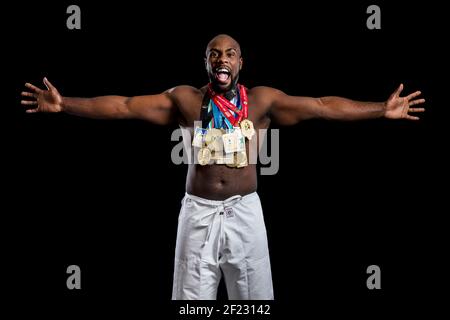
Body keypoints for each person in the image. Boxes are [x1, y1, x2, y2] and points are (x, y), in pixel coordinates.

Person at [20, 34, 425, 300]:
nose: (222, 58)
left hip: (245, 211)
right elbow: (124, 105)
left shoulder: (263, 101)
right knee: (191, 305)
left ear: (241, 63)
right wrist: (65, 103)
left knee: (254, 304)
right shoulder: (185, 100)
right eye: (214, 53)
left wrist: (379, 110)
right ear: (206, 63)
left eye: (230, 52)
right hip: (197, 213)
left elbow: (321, 106)